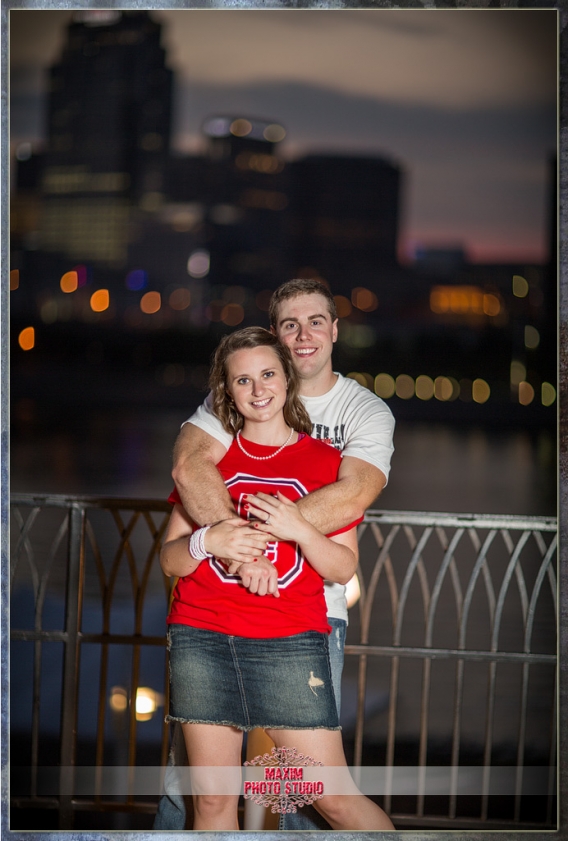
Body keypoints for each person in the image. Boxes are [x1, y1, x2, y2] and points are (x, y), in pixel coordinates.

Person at [154, 278, 395, 830]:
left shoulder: (332, 452)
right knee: (210, 803)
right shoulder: (212, 454)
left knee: (325, 798)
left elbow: (346, 544)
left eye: (315, 322)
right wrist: (212, 543)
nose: (258, 387)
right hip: (204, 635)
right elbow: (172, 549)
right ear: (228, 390)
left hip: (291, 639)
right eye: (244, 379)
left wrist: (292, 529)